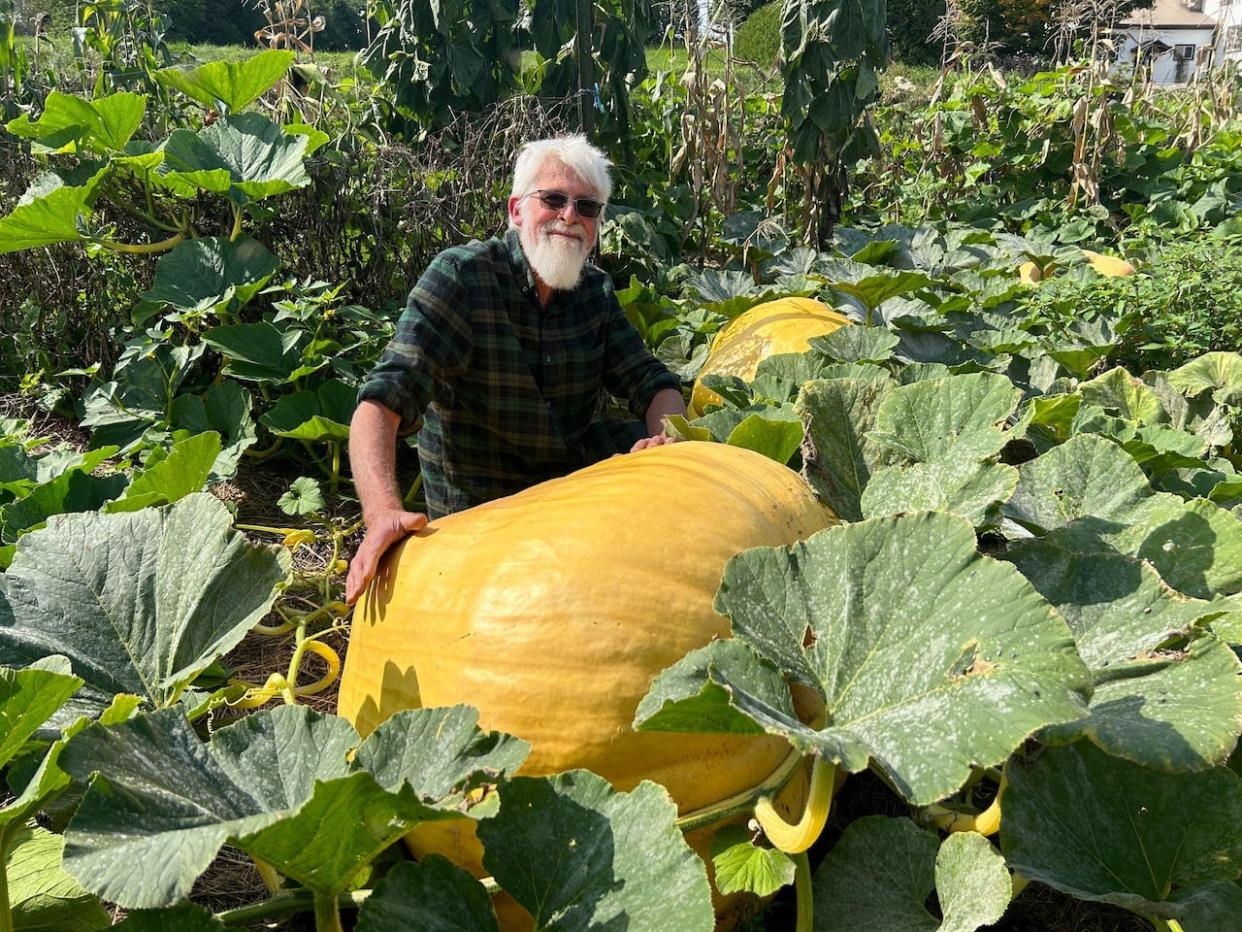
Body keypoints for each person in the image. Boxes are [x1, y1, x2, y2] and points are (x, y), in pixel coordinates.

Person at [345, 135, 687, 603]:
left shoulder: (596, 293)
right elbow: (382, 400)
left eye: (587, 208)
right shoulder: (462, 278)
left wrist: (665, 438)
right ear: (516, 210)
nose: (570, 216)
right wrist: (382, 512)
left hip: (569, 497)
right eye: (553, 199)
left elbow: (652, 383)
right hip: (484, 523)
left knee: (674, 456)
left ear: (597, 225)